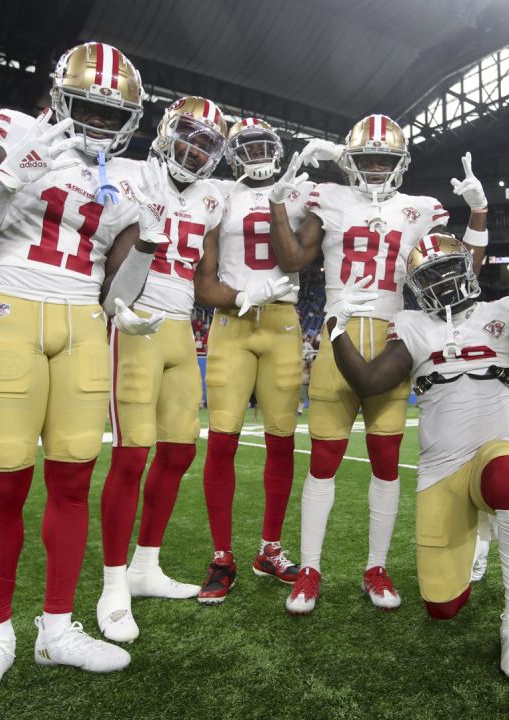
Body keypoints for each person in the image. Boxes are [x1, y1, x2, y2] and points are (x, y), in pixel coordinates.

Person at [0, 42, 162, 709]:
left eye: (111, 112)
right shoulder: (12, 130)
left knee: (72, 481)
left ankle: (57, 628)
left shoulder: (127, 178)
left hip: (83, 326)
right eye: (89, 107)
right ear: (62, 96)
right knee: (5, 481)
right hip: (11, 306)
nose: (98, 122)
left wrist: (147, 249)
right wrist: (13, 175)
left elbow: (117, 290)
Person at [325, 232, 509, 681]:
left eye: (447, 269)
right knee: (442, 607)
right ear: (415, 285)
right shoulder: (411, 325)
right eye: (430, 276)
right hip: (439, 471)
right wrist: (335, 328)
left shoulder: (505, 311)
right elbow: (368, 382)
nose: (442, 282)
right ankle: (478, 534)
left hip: (490, 455)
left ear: (467, 267)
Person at [266, 114, 489, 615]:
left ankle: (376, 565)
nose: (373, 169)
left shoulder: (421, 210)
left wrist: (478, 215)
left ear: (400, 164)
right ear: (350, 162)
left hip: (394, 338)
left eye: (383, 160)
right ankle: (309, 568)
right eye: (365, 160)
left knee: (386, 465)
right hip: (338, 335)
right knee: (323, 462)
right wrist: (279, 201)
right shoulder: (330, 198)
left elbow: (464, 273)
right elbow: (292, 259)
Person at [95, 95, 230, 641]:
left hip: (181, 328)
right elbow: (105, 260)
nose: (194, 150)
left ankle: (145, 565)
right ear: (166, 130)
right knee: (131, 455)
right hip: (134, 321)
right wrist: (116, 310)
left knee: (178, 451)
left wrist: (248, 295)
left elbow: (206, 279)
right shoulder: (128, 175)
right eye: (188, 136)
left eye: (207, 143)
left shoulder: (212, 200)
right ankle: (111, 584)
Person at [191, 117, 307, 604]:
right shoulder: (220, 193)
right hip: (232, 320)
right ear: (234, 152)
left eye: (265, 145)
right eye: (249, 146)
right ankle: (222, 556)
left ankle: (270, 549)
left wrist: (283, 199)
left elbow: (298, 259)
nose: (258, 153)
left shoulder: (299, 191)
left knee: (281, 443)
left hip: (281, 321)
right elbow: (204, 282)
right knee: (222, 441)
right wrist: (243, 294)